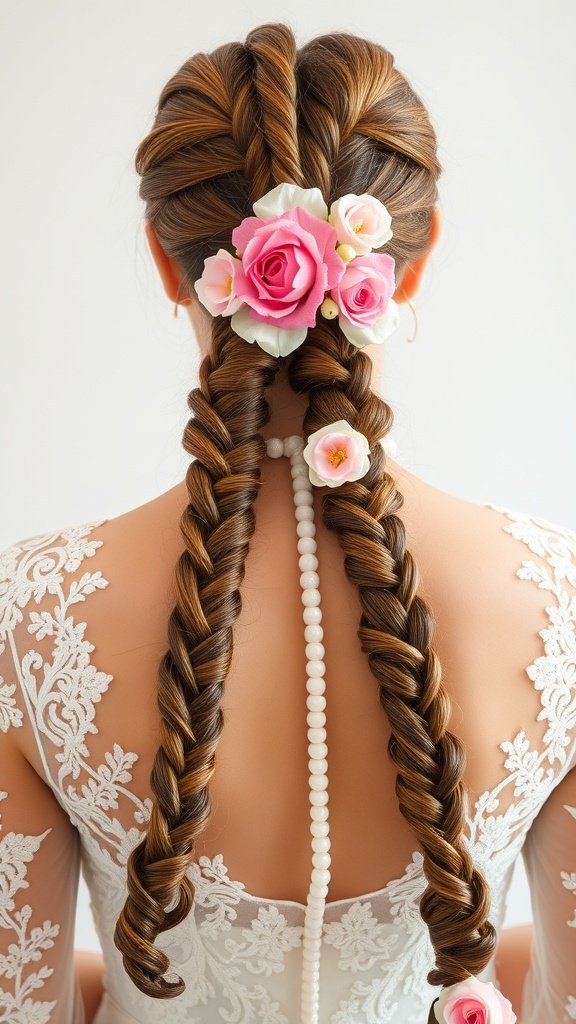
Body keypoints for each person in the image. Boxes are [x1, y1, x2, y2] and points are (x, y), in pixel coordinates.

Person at [0, 21, 574, 1024]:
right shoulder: (556, 608)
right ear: (411, 257)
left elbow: (24, 1005)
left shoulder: (32, 622)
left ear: (172, 263)